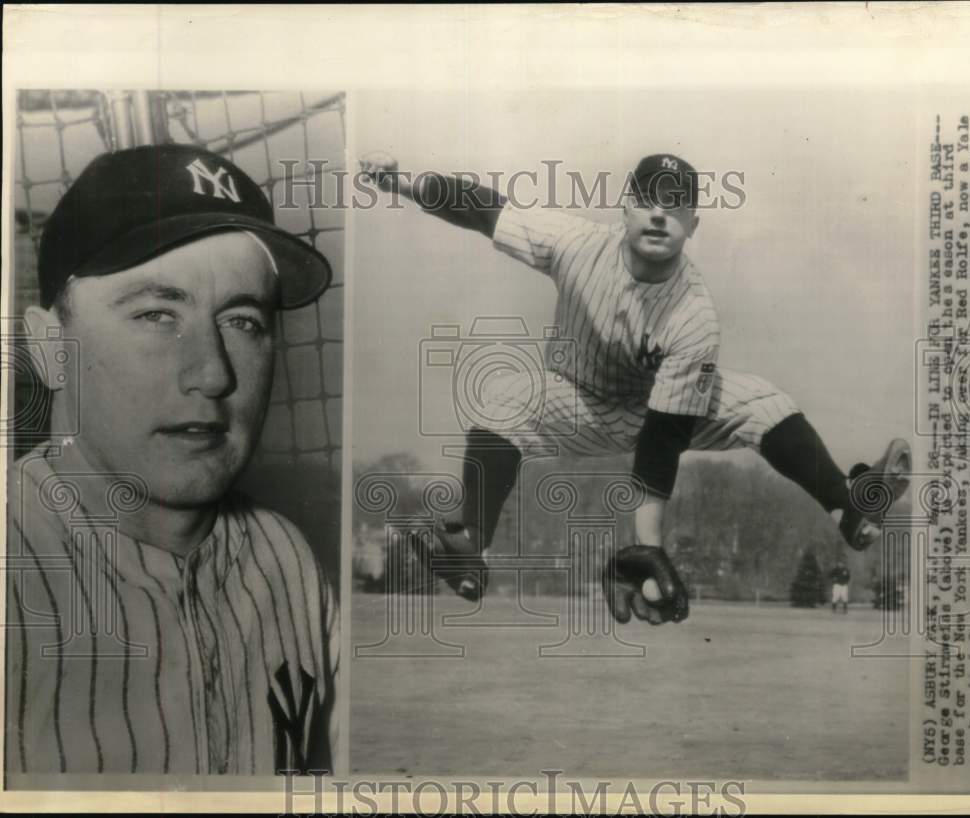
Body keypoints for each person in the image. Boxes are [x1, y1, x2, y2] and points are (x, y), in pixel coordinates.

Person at [359, 150, 911, 626]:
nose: (659, 214)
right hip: (573, 401)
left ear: (693, 224)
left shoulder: (694, 315)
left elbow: (662, 439)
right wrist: (404, 183)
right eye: (649, 198)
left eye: (675, 206)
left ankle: (850, 508)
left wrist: (648, 544)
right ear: (624, 207)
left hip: (656, 411)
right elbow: (484, 209)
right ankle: (469, 544)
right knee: (501, 395)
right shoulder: (574, 244)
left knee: (762, 402)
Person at [6, 144, 339, 775]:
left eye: (243, 322)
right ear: (50, 347)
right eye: (157, 314)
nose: (213, 374)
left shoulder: (288, 560)